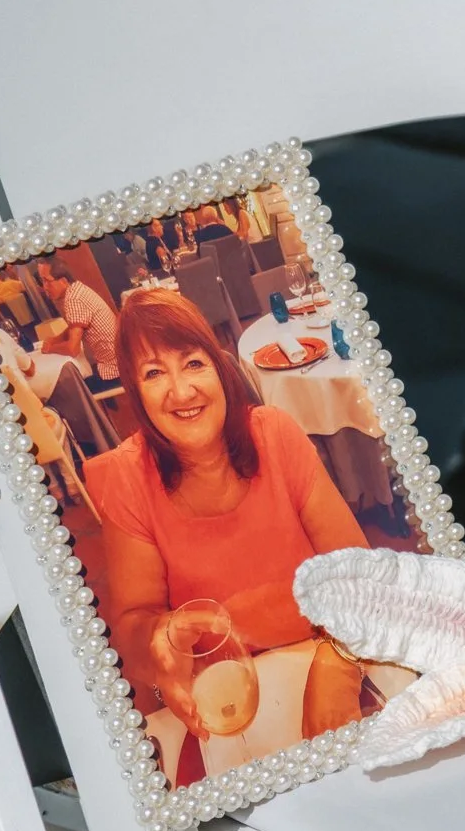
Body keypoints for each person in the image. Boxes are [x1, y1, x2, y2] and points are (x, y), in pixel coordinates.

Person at [84, 290, 368, 752]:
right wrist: (159, 638)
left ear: (218, 367)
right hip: (223, 699)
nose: (181, 391)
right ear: (136, 394)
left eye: (193, 363)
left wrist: (338, 663)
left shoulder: (275, 434)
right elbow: (134, 629)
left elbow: (360, 573)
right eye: (154, 373)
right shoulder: (127, 479)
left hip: (324, 654)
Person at [37, 257, 121, 391]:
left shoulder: (73, 299)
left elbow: (72, 349)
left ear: (63, 281)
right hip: (120, 360)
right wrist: (54, 340)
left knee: (66, 390)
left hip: (115, 370)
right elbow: (74, 327)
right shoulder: (77, 289)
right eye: (42, 281)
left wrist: (50, 349)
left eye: (47, 281)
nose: (44, 287)